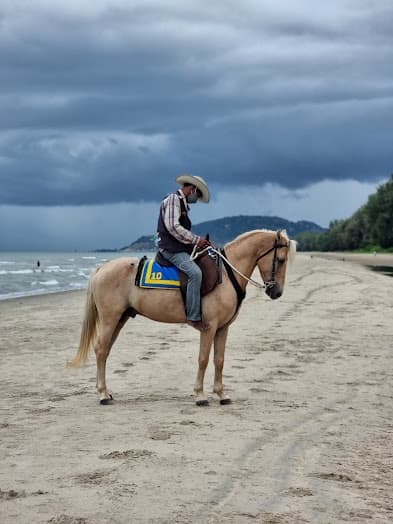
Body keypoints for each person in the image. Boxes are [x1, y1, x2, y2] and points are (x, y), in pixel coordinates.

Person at [157, 174, 211, 331]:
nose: (197, 199)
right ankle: (193, 317)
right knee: (195, 273)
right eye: (198, 195)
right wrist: (196, 240)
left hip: (178, 247)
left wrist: (201, 244)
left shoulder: (182, 204)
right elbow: (173, 227)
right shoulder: (174, 200)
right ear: (192, 189)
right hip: (170, 249)